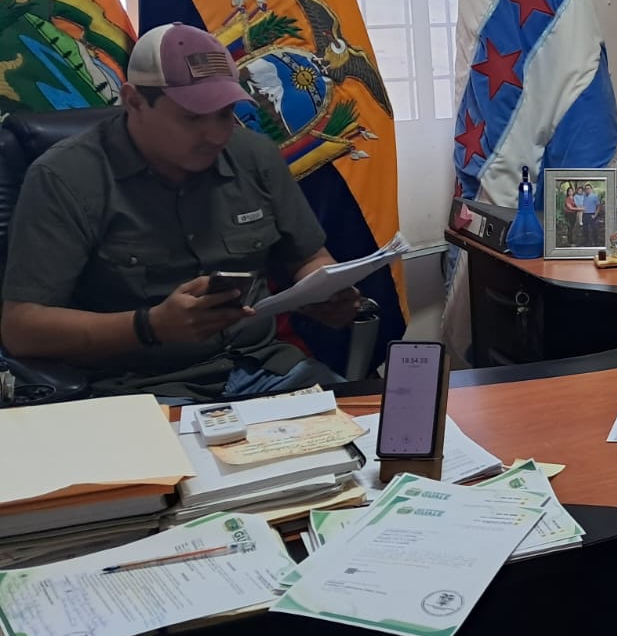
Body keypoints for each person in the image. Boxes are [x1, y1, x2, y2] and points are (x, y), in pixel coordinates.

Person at [0, 23, 362, 401]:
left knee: (374, 428)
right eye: (193, 117)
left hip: (263, 368)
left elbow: (309, 257)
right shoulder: (66, 177)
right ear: (134, 101)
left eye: (225, 113)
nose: (216, 135)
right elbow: (22, 329)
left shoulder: (253, 154)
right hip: (143, 388)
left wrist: (326, 291)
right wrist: (149, 326)